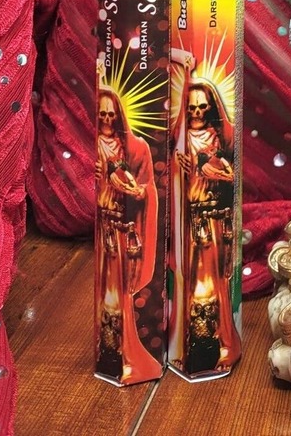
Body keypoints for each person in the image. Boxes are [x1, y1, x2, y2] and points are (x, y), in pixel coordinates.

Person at [169, 51, 241, 374]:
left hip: (211, 223)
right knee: (187, 281)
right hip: (187, 223)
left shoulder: (219, 138)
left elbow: (231, 175)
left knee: (214, 285)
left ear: (210, 108)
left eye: (202, 107)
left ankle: (220, 343)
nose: (197, 113)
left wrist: (203, 166)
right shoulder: (180, 138)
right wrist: (178, 168)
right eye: (191, 107)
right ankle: (185, 343)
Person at [94, 85, 159, 381]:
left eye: (111, 114)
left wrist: (135, 191)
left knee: (119, 294)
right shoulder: (93, 144)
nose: (107, 119)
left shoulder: (134, 147)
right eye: (102, 114)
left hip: (121, 233)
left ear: (119, 116)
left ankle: (124, 351)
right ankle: (107, 350)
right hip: (102, 231)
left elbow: (148, 189)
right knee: (104, 295)